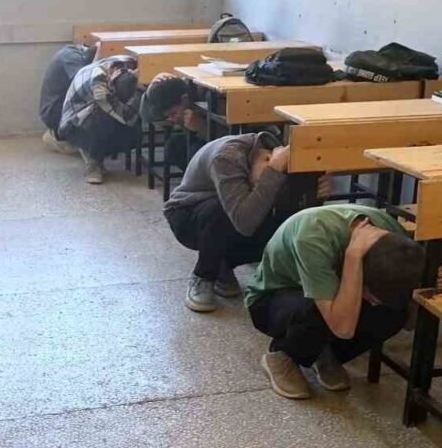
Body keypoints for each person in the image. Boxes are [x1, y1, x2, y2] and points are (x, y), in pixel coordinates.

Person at [245, 204, 442, 397]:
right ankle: (283, 356)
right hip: (273, 298)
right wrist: (353, 256)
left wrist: (435, 279)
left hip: (333, 288)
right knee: (318, 311)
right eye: (370, 295)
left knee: (394, 313)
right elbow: (343, 329)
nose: (373, 303)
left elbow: (409, 322)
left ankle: (324, 352)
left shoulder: (393, 238)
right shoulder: (312, 238)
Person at [163, 130, 316, 313]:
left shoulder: (275, 155)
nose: (268, 181)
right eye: (268, 173)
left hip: (229, 216)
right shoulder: (228, 157)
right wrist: (273, 171)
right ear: (267, 158)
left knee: (278, 220)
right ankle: (203, 276)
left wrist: (314, 196)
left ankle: (223, 264)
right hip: (187, 213)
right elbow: (245, 222)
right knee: (224, 212)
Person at [57, 54, 142, 185]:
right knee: (107, 118)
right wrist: (139, 91)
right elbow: (126, 117)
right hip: (74, 125)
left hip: (87, 114)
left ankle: (97, 156)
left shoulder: (120, 64)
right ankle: (93, 163)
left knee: (131, 131)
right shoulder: (98, 83)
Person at [39, 43, 95, 156]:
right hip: (54, 112)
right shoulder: (72, 58)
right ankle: (58, 138)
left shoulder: (73, 54)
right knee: (95, 107)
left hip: (56, 108)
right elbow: (84, 86)